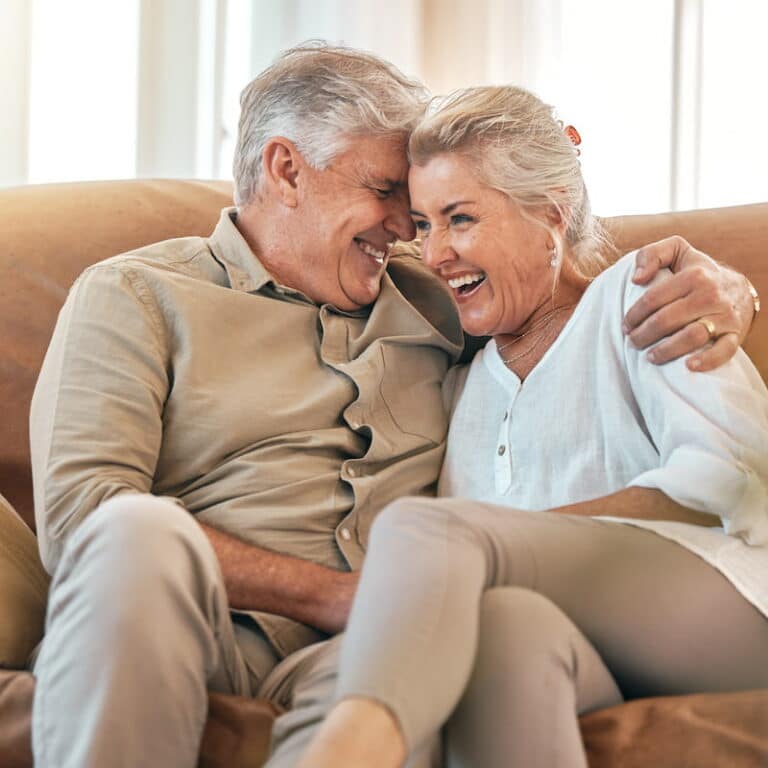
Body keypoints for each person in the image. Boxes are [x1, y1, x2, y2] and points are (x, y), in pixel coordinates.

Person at [28, 45, 758, 768]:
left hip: (379, 647)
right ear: (286, 170)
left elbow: (550, 276)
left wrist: (728, 288)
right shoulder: (136, 294)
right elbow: (79, 515)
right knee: (135, 529)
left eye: (429, 215)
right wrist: (335, 596)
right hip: (193, 624)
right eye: (386, 192)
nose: (413, 232)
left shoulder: (439, 299)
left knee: (455, 645)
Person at [298, 86, 768, 768]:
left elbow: (733, 484)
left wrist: (499, 546)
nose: (434, 255)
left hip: (730, 612)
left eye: (460, 218)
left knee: (427, 531)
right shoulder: (460, 383)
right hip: (595, 648)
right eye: (424, 226)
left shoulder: (640, 298)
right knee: (505, 629)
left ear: (551, 211)